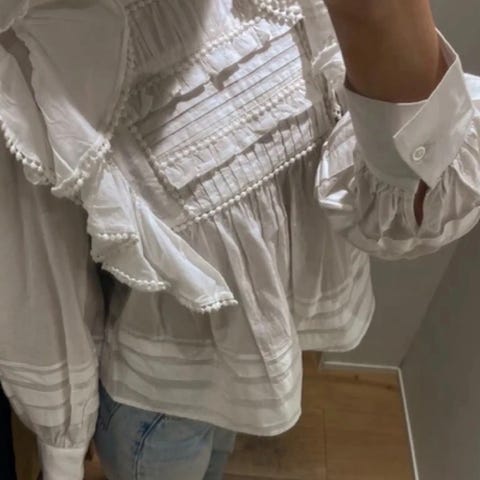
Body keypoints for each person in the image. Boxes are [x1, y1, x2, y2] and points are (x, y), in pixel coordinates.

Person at [0, 0, 479, 479]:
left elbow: (404, 212)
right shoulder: (45, 38)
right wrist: (64, 442)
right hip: (156, 403)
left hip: (245, 379)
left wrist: (377, 18)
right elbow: (42, 271)